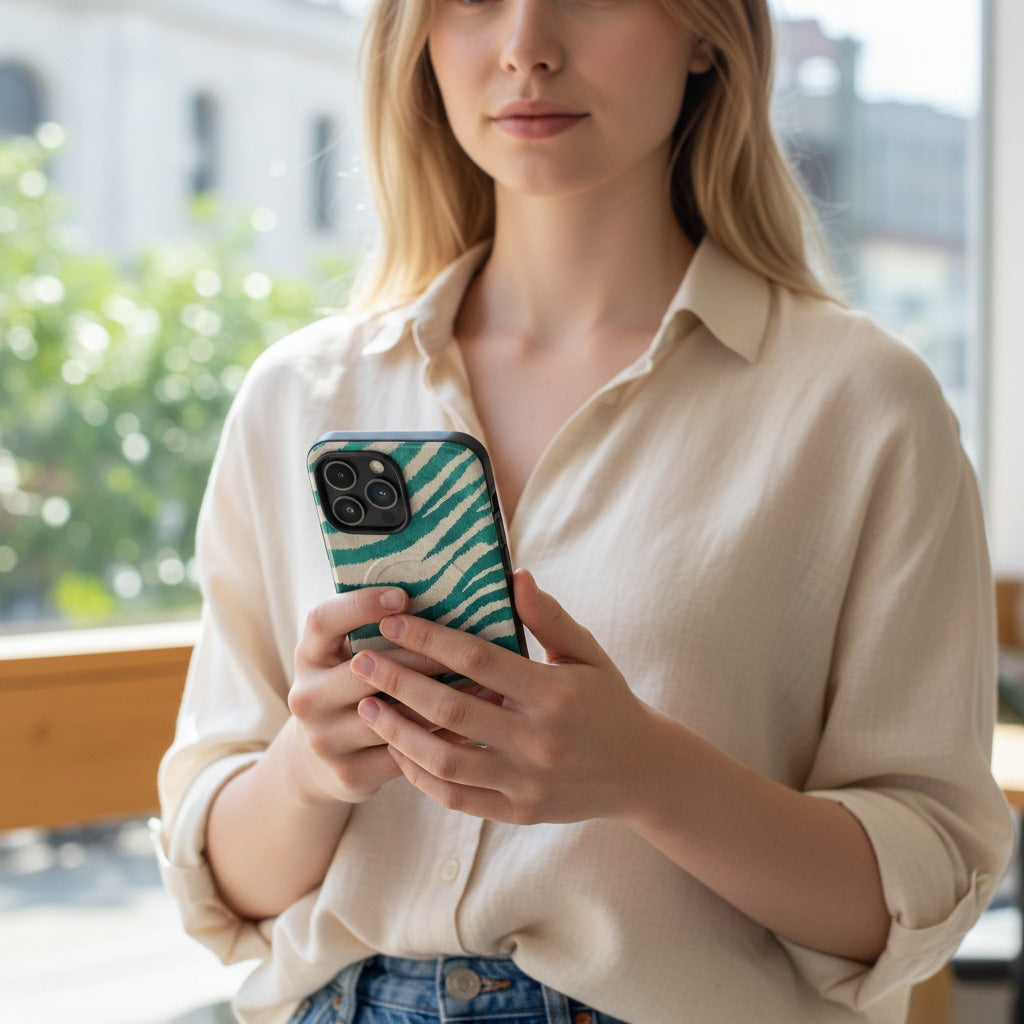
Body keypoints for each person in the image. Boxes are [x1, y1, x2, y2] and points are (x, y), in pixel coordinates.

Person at [156, 0, 1014, 1022]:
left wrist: (652, 775)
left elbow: (923, 891)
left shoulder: (862, 405)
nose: (526, 44)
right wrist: (309, 768)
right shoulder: (299, 395)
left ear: (707, 34)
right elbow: (219, 884)